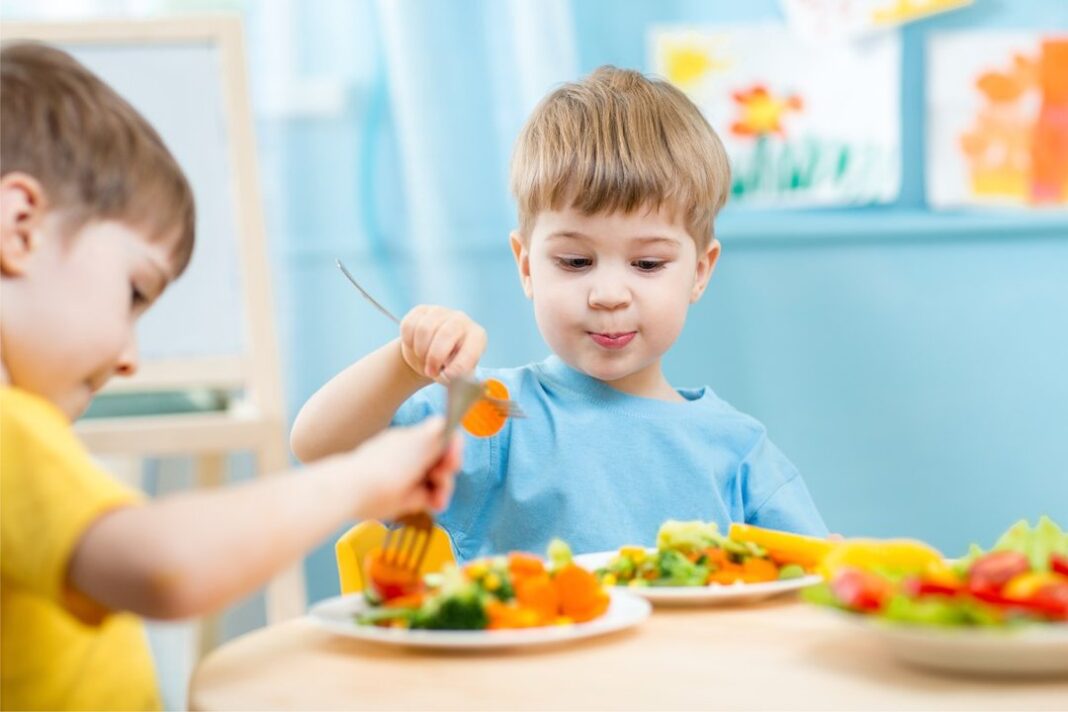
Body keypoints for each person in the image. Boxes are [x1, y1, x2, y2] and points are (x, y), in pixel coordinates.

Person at [0, 42, 462, 711]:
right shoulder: (12, 430)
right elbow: (164, 566)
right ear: (19, 228)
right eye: (134, 292)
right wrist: (360, 478)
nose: (131, 356)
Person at [291, 65, 826, 563]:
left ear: (700, 272)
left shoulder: (737, 448)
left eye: (646, 263)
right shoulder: (495, 423)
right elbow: (320, 449)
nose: (609, 294)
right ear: (526, 265)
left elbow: (815, 581)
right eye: (575, 261)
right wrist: (405, 365)